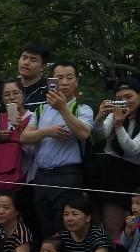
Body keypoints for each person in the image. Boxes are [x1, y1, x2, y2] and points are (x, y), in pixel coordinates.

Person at [21, 61, 94, 239]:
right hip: (42, 175)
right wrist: (48, 132)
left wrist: (63, 108)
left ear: (76, 81)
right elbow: (24, 137)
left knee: (66, 226)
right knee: (44, 225)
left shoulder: (82, 109)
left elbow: (84, 133)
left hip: (68, 175)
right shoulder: (41, 109)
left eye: (70, 77)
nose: (65, 82)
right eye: (59, 78)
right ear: (51, 82)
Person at [89, 74, 140, 239]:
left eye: (129, 97)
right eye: (119, 99)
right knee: (95, 221)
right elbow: (99, 136)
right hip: (104, 170)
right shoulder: (115, 114)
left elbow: (133, 150)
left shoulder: (120, 119)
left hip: (128, 175)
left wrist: (119, 126)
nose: (124, 101)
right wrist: (99, 117)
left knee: (113, 225)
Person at [17, 43, 51, 110]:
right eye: (24, 58)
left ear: (42, 67)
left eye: (33, 60)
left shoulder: (49, 91)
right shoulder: (9, 88)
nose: (26, 63)